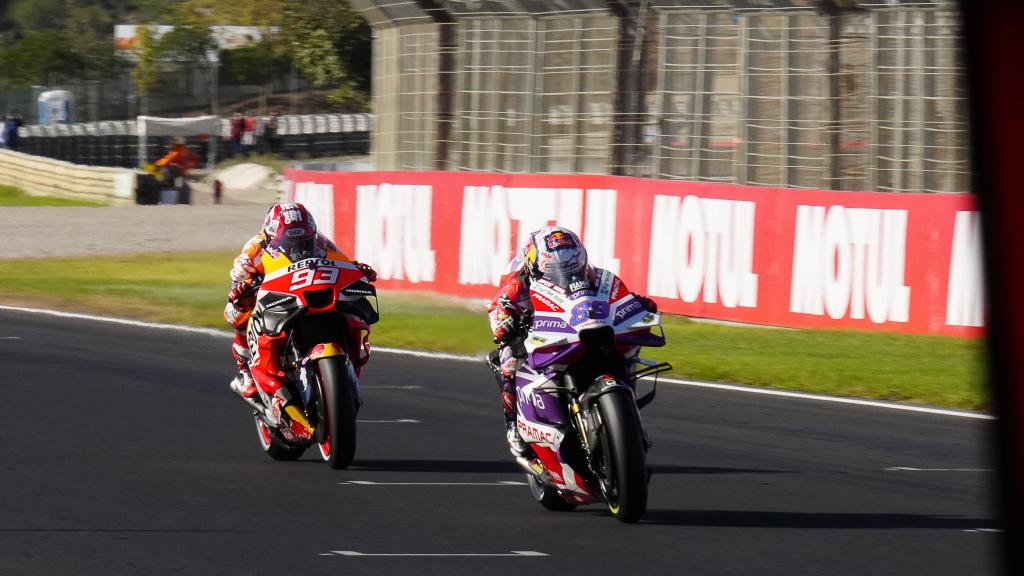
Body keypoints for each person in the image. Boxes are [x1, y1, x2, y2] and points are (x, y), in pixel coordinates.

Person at [487, 226, 658, 456]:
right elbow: (497, 309)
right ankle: (513, 427)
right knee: (507, 360)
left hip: (580, 328)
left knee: (628, 346)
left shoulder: (597, 277)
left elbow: (617, 294)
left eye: (570, 265)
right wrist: (505, 324)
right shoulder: (519, 284)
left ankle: (628, 409)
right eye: (553, 268)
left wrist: (636, 304)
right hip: (537, 333)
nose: (563, 271)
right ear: (534, 264)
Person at [224, 202, 377, 439]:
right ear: (270, 236)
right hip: (273, 295)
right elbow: (238, 273)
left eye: (304, 241)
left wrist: (357, 269)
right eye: (290, 242)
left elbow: (342, 261)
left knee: (349, 310)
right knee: (235, 311)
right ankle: (245, 370)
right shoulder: (255, 247)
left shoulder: (321, 243)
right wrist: (240, 287)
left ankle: (346, 362)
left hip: (308, 292)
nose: (298, 247)